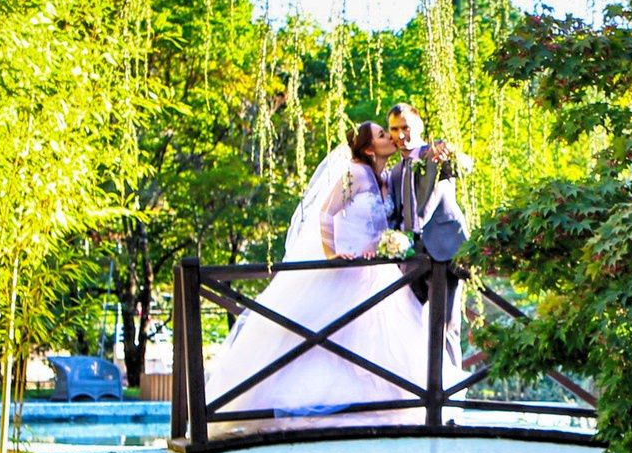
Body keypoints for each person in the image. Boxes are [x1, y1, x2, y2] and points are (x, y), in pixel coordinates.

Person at [197, 121, 432, 422]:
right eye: (383, 135)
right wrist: (333, 252)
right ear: (370, 147)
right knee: (330, 334)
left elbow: (378, 223)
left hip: (376, 270)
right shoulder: (354, 173)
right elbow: (326, 212)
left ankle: (383, 405)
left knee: (375, 337)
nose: (391, 138)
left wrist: (385, 245)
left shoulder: (384, 177)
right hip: (350, 267)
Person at [384, 103, 472, 262]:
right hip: (409, 252)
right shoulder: (396, 172)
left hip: (446, 245)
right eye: (394, 129)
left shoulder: (436, 153)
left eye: (406, 128)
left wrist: (452, 153)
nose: (401, 135)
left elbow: (466, 167)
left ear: (419, 127)